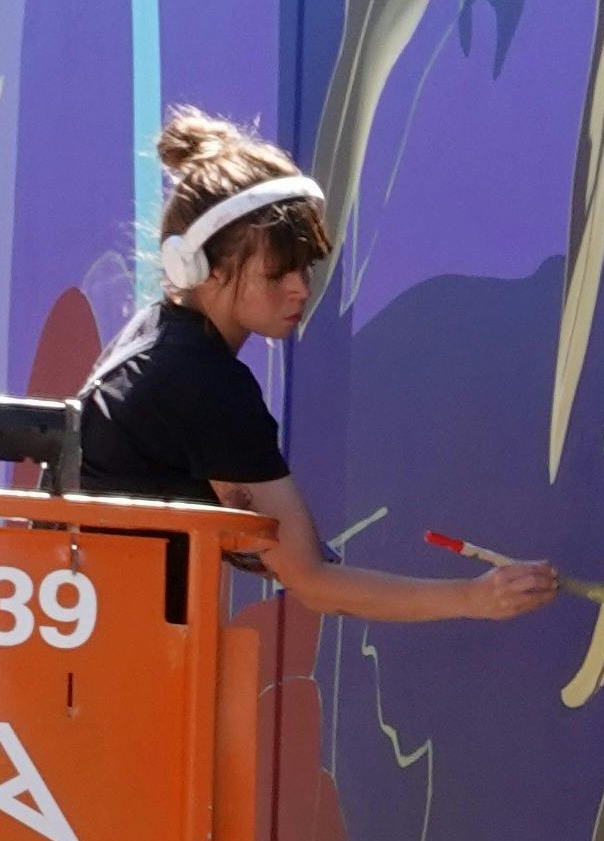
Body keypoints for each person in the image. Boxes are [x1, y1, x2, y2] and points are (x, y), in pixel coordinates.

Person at [76, 110, 558, 621]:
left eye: (305, 267)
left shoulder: (156, 340)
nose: (301, 289)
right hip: (115, 643)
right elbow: (313, 583)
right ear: (200, 269)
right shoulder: (205, 384)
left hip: (78, 627)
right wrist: (476, 599)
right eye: (277, 273)